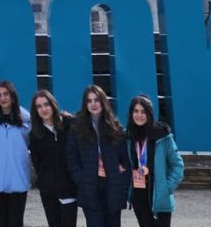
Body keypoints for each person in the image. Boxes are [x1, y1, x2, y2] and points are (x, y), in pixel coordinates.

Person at [66, 85, 130, 227]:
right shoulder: (77, 128)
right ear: (85, 104)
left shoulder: (116, 128)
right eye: (89, 101)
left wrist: (122, 182)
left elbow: (125, 159)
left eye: (97, 100)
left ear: (103, 102)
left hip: (112, 187)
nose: (93, 104)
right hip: (90, 187)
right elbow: (71, 157)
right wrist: (81, 179)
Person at [124, 96, 183, 227]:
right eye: (136, 111)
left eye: (143, 111)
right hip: (139, 197)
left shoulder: (163, 136)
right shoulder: (127, 137)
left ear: (150, 114)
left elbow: (177, 165)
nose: (139, 115)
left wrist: (167, 188)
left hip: (159, 198)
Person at [0, 80, 32, 227]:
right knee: (3, 222)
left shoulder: (26, 119)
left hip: (18, 178)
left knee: (16, 222)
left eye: (6, 94)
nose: (2, 98)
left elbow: (31, 142)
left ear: (12, 96)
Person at [29, 90, 78, 227]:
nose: (43, 109)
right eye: (39, 106)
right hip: (48, 191)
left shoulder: (70, 125)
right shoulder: (35, 135)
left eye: (46, 104)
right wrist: (45, 183)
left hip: (68, 188)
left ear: (53, 105)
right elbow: (37, 163)